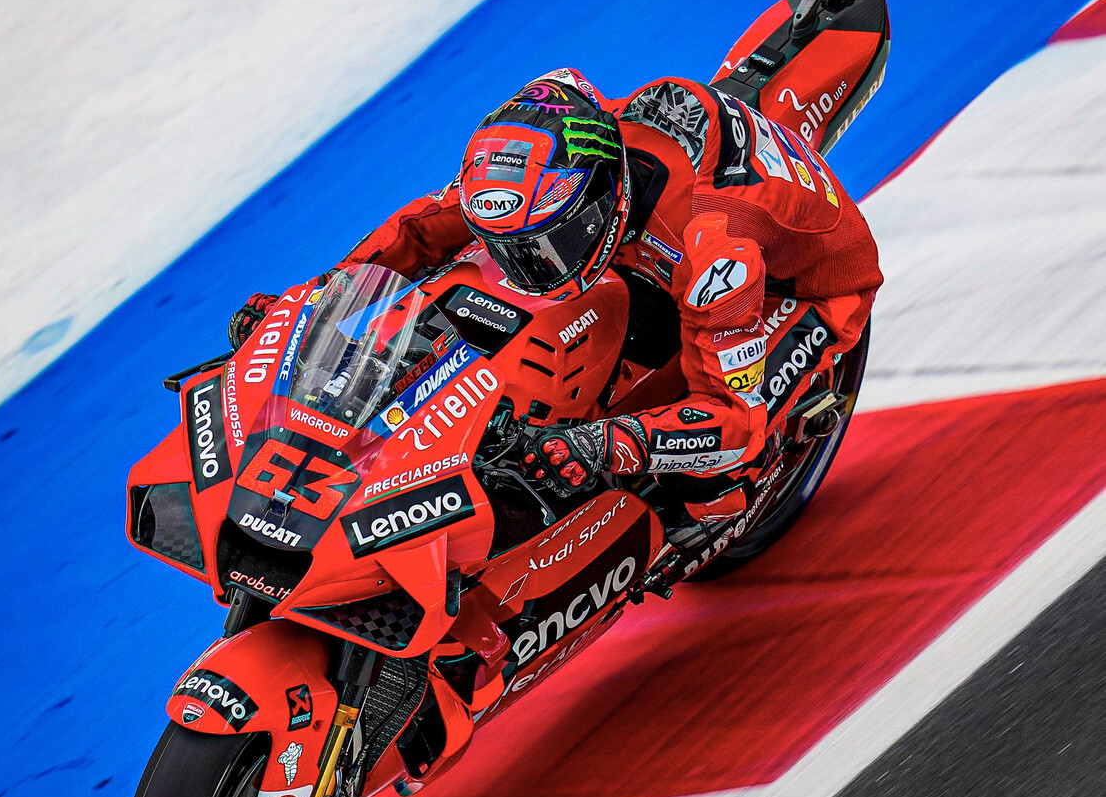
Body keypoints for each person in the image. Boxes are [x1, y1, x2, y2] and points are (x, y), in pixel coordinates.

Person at [230, 68, 882, 520]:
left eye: (544, 245)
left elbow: (732, 424)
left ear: (601, 201)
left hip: (801, 291)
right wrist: (307, 307)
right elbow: (423, 231)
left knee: (713, 483)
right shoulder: (559, 172)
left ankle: (712, 507)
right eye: (513, 245)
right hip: (659, 238)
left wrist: (594, 447)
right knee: (485, 285)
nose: (523, 266)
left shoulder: (720, 256)